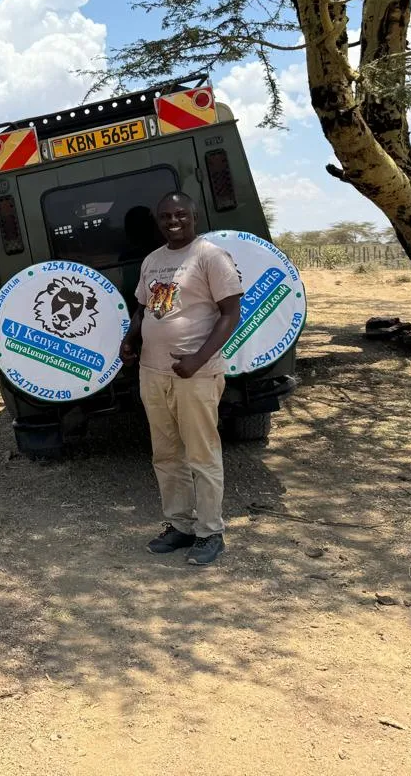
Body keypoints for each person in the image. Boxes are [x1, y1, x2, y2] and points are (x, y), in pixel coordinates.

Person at [121, 192, 243, 566]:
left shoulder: (210, 256)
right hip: (153, 373)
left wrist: (197, 359)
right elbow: (148, 307)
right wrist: (131, 336)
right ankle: (180, 525)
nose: (173, 221)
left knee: (201, 454)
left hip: (196, 374)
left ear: (194, 216)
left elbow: (230, 313)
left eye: (180, 214)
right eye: (166, 216)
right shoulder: (153, 260)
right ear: (158, 222)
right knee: (166, 454)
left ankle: (210, 532)